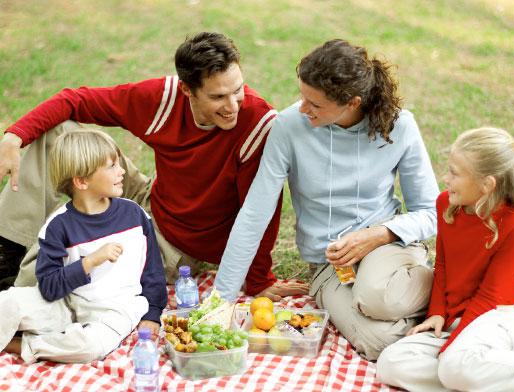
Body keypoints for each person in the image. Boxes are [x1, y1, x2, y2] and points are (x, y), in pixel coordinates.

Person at [0, 32, 307, 299]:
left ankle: (22, 297)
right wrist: (14, 136)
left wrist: (258, 280)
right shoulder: (164, 99)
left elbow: (260, 211)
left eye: (237, 89)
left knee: (83, 259)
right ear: (188, 90)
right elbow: (75, 100)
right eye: (218, 96)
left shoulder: (257, 124)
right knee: (56, 131)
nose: (233, 105)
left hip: (176, 244)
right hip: (150, 197)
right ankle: (8, 250)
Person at [215, 39, 439, 360]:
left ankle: (443, 290)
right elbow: (255, 212)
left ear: (352, 102)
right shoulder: (289, 126)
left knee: (375, 296)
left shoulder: (400, 126)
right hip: (329, 265)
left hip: (387, 246)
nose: (302, 108)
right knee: (377, 343)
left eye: (315, 104)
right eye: (302, 96)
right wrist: (221, 299)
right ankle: (428, 314)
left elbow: (431, 212)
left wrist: (379, 234)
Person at [0, 129, 167, 363]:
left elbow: (153, 272)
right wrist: (89, 262)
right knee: (7, 302)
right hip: (66, 303)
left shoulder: (134, 216)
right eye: (112, 166)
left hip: (117, 311)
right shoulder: (57, 226)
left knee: (90, 347)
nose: (122, 172)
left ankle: (22, 345)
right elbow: (48, 288)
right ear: (81, 181)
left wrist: (153, 314)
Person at [377, 127, 514, 391]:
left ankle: (467, 370)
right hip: (458, 320)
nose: (445, 178)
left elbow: (492, 298)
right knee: (391, 363)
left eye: (455, 173)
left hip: (498, 318)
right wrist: (436, 313)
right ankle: (478, 378)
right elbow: (442, 266)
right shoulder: (446, 204)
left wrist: (453, 346)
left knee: (455, 364)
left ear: (486, 185)